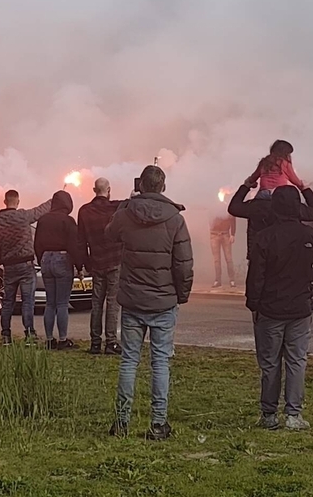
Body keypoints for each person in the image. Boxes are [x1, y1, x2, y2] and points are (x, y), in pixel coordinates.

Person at [107, 165, 193, 441]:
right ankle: (158, 424)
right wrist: (181, 295)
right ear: (163, 186)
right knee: (160, 363)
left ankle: (121, 422)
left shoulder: (126, 214)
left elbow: (109, 234)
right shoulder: (175, 219)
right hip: (163, 302)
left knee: (129, 361)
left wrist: (126, 205)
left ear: (141, 185)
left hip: (133, 300)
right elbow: (184, 265)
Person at [246, 186, 313, 431]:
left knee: (270, 363)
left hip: (270, 307)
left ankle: (269, 413)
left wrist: (253, 303)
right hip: (299, 306)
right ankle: (294, 413)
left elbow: (256, 276)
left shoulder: (264, 237)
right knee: (297, 361)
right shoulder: (309, 235)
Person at [0, 189, 52, 346]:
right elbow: (40, 210)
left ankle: (6, 335)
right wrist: (54, 199)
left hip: (9, 266)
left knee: (8, 301)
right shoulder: (23, 216)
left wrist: (1, 259)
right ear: (17, 201)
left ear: (5, 202)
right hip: (26, 265)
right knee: (27, 301)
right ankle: (29, 334)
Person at [228, 173, 313, 266]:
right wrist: (304, 189)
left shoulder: (257, 207)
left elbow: (233, 208)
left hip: (260, 258)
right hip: (291, 259)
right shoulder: (294, 207)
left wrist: (246, 185)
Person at [78, 178, 125, 354]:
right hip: (115, 260)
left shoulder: (84, 211)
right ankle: (111, 342)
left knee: (96, 303)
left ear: (93, 190)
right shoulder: (116, 207)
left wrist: (84, 263)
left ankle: (95, 342)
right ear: (109, 190)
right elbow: (129, 203)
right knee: (112, 302)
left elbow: (81, 240)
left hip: (96, 262)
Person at [34, 190, 85, 351]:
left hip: (46, 259)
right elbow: (74, 245)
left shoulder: (43, 220)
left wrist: (41, 259)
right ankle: (63, 339)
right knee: (62, 303)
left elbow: (37, 244)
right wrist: (79, 266)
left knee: (50, 303)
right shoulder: (68, 221)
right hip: (62, 259)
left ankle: (50, 339)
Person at [208, 208, 237, 289]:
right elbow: (209, 218)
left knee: (228, 258)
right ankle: (218, 280)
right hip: (214, 234)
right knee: (216, 259)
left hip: (225, 234)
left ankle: (232, 280)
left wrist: (232, 234)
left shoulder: (227, 208)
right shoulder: (212, 208)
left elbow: (232, 219)